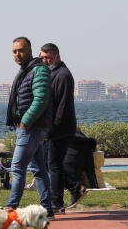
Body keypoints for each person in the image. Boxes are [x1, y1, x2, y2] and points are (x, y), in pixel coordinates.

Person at [5, 37, 53, 217]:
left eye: (21, 50)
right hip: (32, 127)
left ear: (30, 50)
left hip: (31, 128)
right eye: (14, 51)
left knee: (17, 168)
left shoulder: (39, 70)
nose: (17, 54)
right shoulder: (26, 71)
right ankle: (47, 208)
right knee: (39, 170)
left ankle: (11, 207)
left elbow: (41, 100)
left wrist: (25, 122)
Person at [41, 43, 84, 213]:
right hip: (53, 128)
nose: (44, 60)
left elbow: (63, 105)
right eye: (42, 57)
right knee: (49, 163)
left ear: (56, 55)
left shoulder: (63, 75)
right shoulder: (52, 73)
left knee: (53, 165)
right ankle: (74, 189)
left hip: (60, 128)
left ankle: (57, 202)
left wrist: (54, 127)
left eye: (47, 57)